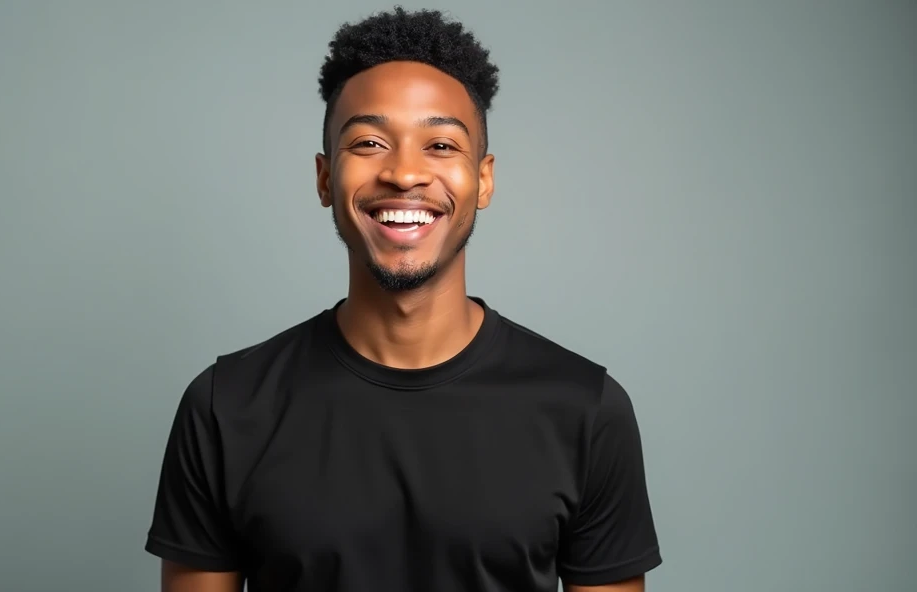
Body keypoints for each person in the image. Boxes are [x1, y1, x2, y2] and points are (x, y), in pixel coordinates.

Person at [145, 7, 662, 592]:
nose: (404, 172)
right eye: (368, 141)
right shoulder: (226, 407)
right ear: (324, 178)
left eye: (441, 144)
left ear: (484, 179)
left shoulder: (585, 410)